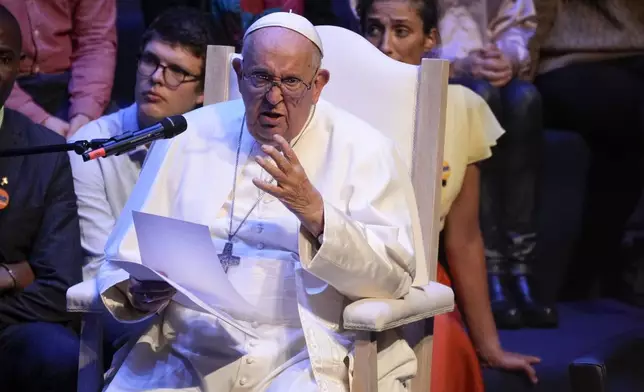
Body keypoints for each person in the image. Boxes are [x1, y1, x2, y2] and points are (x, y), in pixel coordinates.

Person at [97, 12, 419, 391]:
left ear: (318, 85)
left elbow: (393, 277)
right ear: (238, 73)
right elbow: (124, 255)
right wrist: (138, 291)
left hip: (302, 354)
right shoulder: (190, 134)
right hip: (185, 348)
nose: (273, 97)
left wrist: (316, 215)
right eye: (261, 77)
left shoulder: (366, 151)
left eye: (292, 82)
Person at [358, 0, 540, 390]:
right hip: (346, 273)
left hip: (419, 280)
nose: (384, 45)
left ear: (430, 40)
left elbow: (465, 238)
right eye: (373, 30)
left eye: (401, 31)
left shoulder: (460, 108)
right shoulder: (337, 106)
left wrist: (490, 346)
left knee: (435, 355)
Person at [68, 6, 235, 367]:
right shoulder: (92, 145)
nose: (157, 78)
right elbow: (98, 261)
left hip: (205, 309)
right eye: (150, 61)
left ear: (203, 92)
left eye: (177, 71)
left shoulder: (220, 148)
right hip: (123, 305)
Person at [437, 0, 554, 328]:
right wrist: (456, 63)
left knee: (525, 99)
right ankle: (490, 271)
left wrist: (509, 57)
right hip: (431, 66)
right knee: (480, 98)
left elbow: (516, 20)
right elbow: (389, 30)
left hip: (485, 70)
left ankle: (520, 267)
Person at [532, 0, 644, 302]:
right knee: (631, 110)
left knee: (625, 149)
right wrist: (521, 75)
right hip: (567, 59)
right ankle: (597, 267)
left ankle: (597, 267)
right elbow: (536, 11)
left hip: (634, 59)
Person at [0, 5, 83, 391]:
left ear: (18, 67)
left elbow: (58, 286)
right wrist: (12, 274)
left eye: (2, 59)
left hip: (8, 327)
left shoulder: (45, 151)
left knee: (61, 354)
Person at [0, 0, 117, 137]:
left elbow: (96, 41)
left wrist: (84, 114)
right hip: (10, 85)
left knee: (111, 137)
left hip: (71, 82)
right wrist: (41, 120)